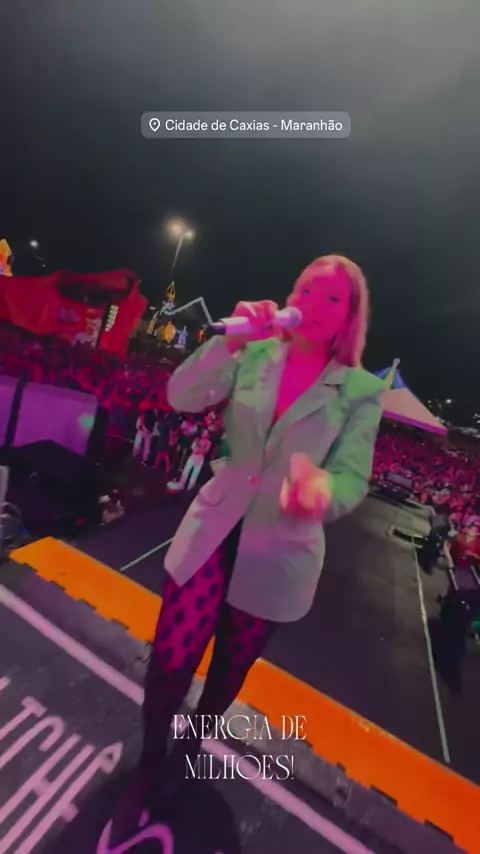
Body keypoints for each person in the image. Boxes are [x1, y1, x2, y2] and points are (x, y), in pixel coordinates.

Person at [109, 254, 385, 842]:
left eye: (331, 298)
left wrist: (322, 491)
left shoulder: (361, 390)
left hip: (280, 552)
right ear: (290, 294)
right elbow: (182, 395)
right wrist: (228, 344)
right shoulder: (255, 351)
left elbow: (352, 476)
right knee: (170, 660)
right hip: (214, 526)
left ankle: (188, 753)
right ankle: (150, 761)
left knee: (225, 675)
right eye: (306, 289)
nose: (313, 304)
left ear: (349, 318)